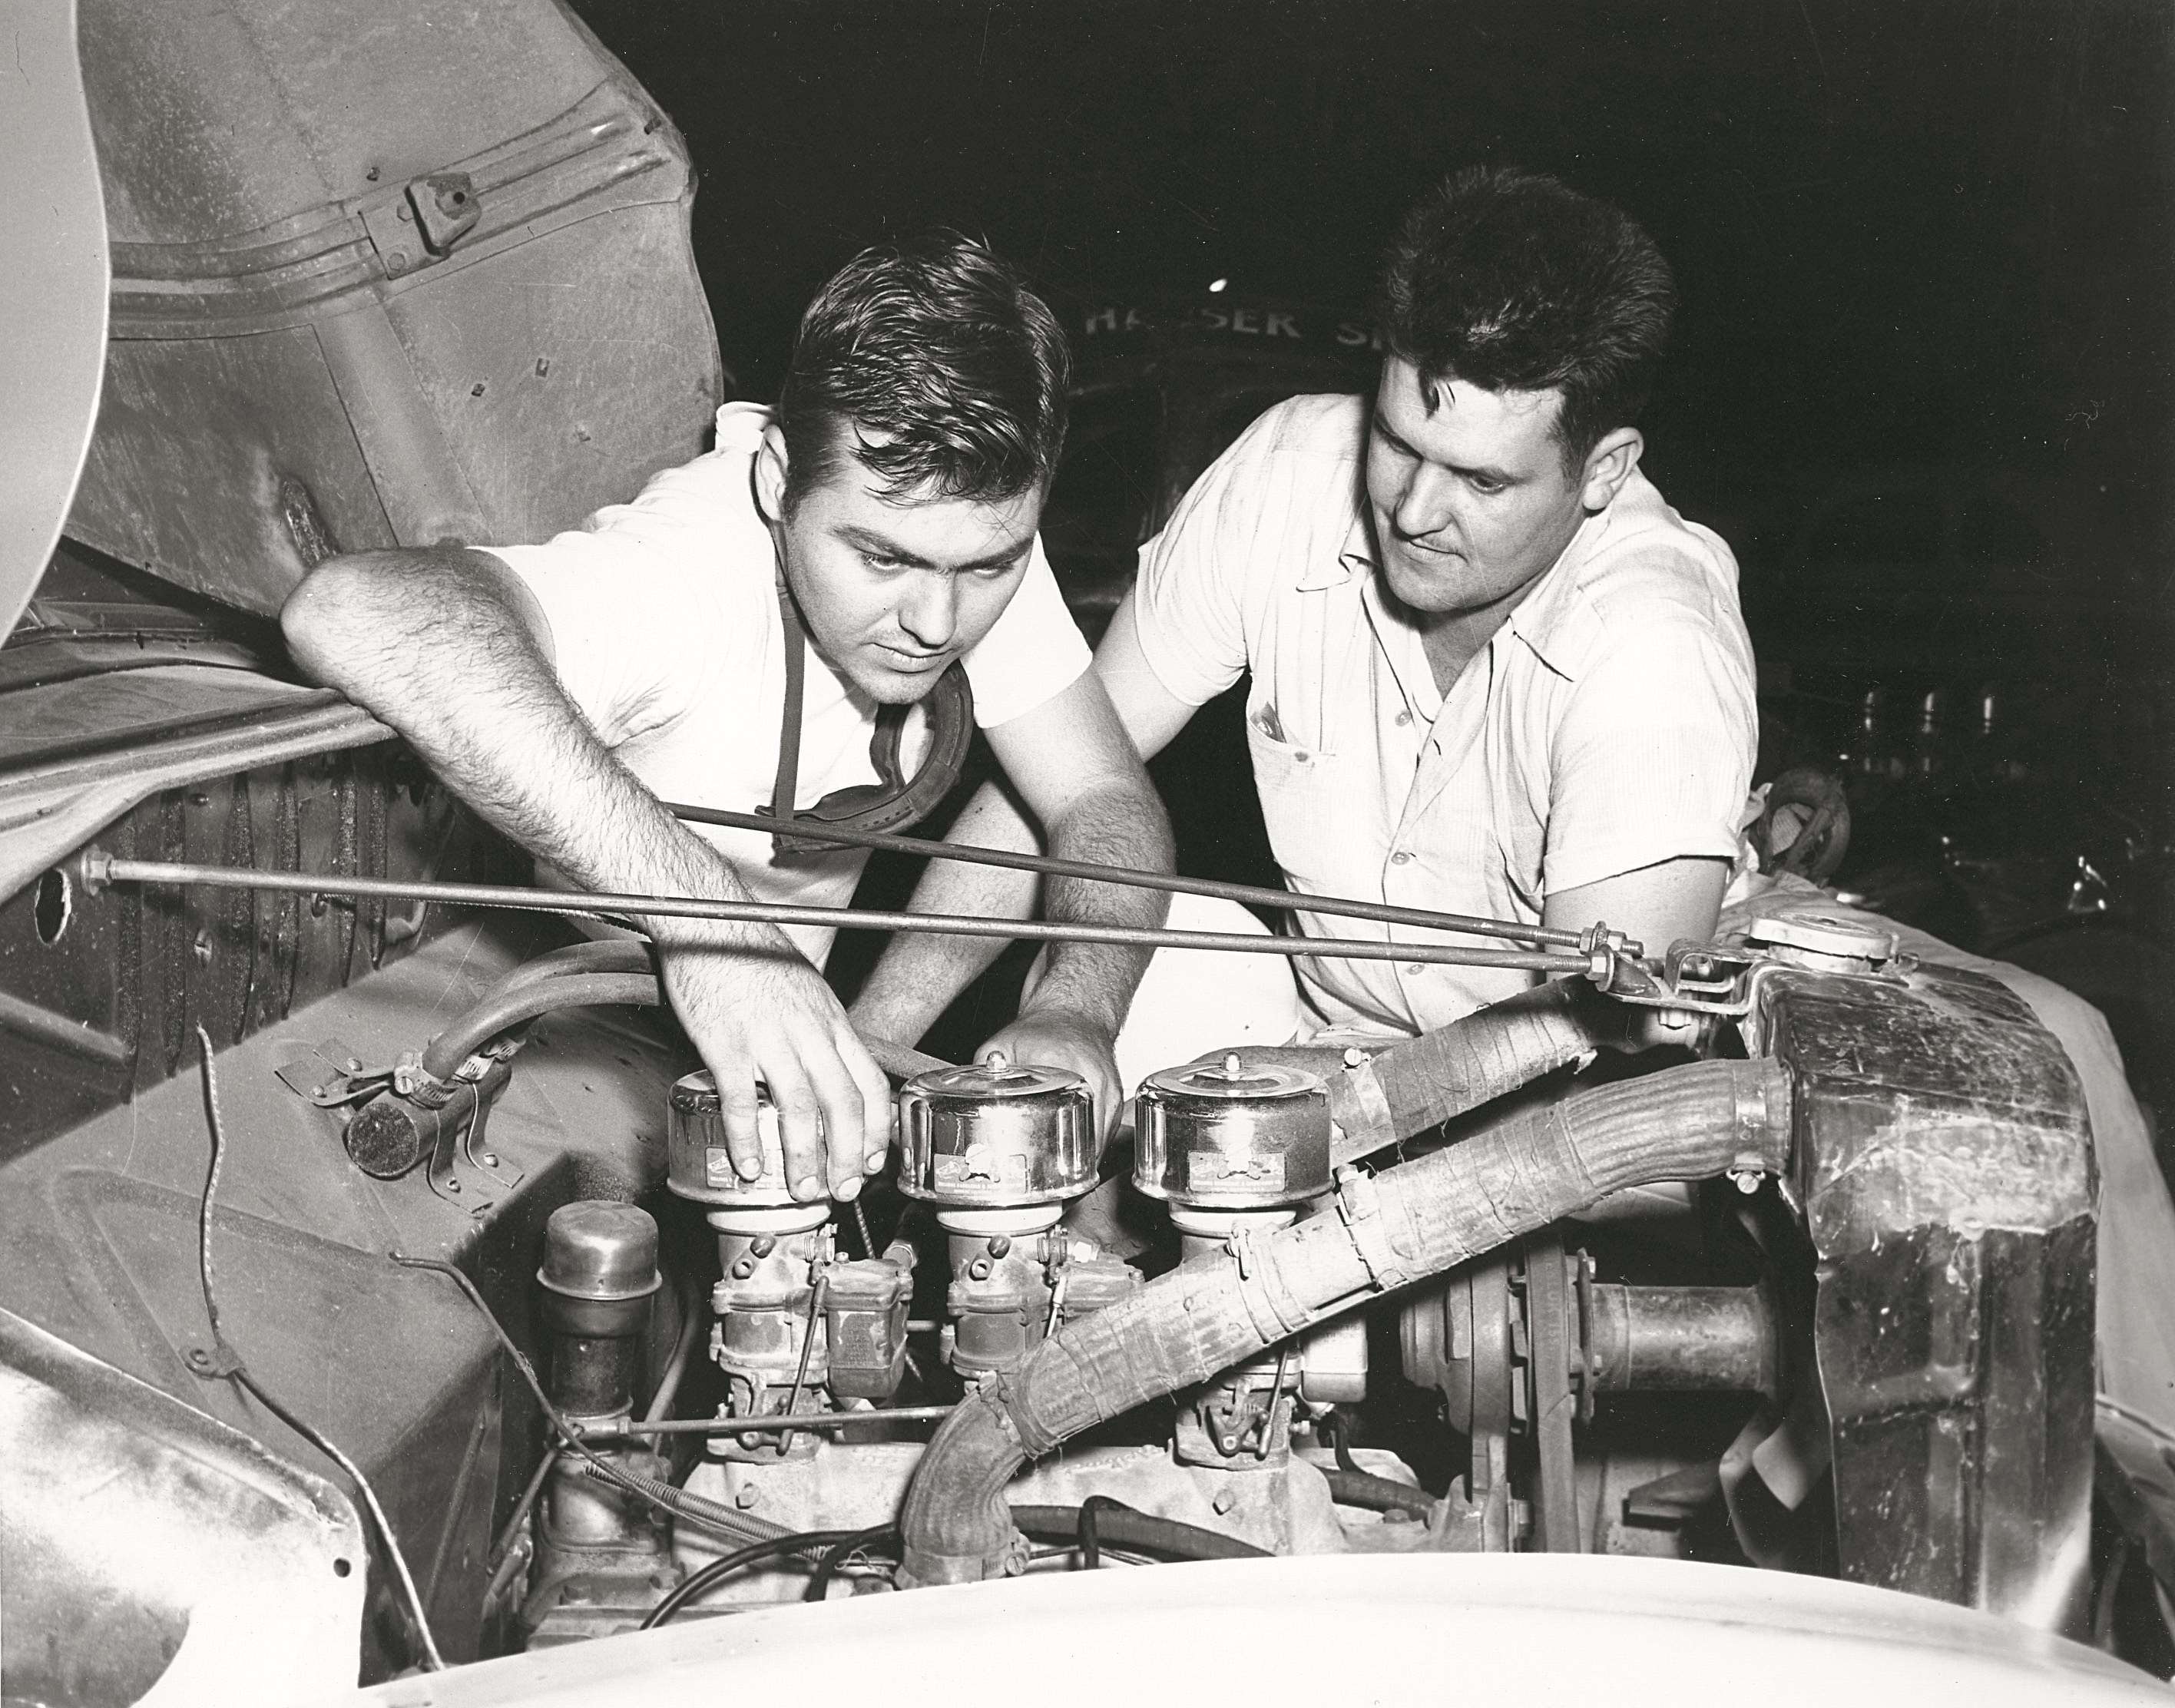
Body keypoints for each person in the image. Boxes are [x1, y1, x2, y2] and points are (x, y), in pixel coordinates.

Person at [283, 233, 1172, 1200]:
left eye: (989, 568)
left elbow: (1100, 794)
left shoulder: (949, 524)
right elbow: (352, 611)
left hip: (763, 1064)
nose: (935, 622)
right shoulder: (691, 572)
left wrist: (1075, 1007)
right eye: (880, 560)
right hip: (566, 1066)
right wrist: (717, 932)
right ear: (776, 477)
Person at [855, 167, 1756, 1078]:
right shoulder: (1287, 470)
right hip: (1328, 1040)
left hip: (1565, 1101)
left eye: (1482, 481)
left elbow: (1607, 1049)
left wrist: (1291, 1124)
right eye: (1399, 444)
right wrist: (869, 1043)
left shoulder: (1654, 642)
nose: (1412, 511)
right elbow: (1061, 780)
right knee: (1161, 949)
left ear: (1603, 471)